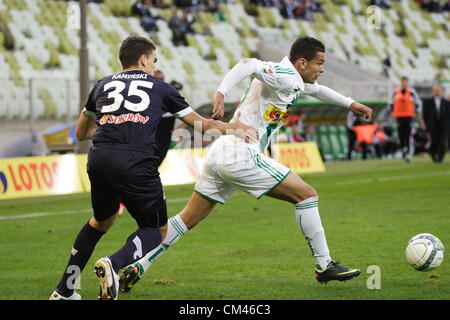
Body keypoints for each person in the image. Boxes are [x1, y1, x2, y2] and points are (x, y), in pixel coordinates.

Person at [118, 36, 373, 293]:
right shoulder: (284, 72)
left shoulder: (294, 80)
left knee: (186, 219)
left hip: (221, 151)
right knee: (307, 195)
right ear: (302, 62)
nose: (323, 69)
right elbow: (247, 64)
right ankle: (324, 264)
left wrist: (350, 103)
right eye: (320, 63)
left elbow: (317, 90)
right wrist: (221, 93)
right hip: (240, 153)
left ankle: (139, 264)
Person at [49, 36, 255, 300]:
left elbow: (80, 133)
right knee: (157, 230)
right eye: (154, 60)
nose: (154, 65)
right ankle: (113, 264)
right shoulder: (160, 87)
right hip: (135, 162)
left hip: (98, 158)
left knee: (102, 220)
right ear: (144, 59)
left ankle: (64, 290)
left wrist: (114, 123)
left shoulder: (101, 84)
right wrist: (233, 128)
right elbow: (201, 124)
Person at [390, 76, 422, 162]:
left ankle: (408, 152)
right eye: (402, 82)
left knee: (407, 134)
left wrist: (416, 112)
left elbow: (418, 103)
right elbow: (390, 103)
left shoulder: (412, 92)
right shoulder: (396, 92)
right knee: (400, 133)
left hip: (408, 116)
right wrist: (392, 112)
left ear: (407, 83)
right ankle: (403, 148)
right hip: (399, 116)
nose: (404, 84)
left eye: (405, 82)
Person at [422, 85, 450, 163]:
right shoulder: (428, 102)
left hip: (443, 125)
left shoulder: (446, 102)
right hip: (432, 125)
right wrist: (424, 123)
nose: (437, 91)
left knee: (443, 141)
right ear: (433, 91)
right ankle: (433, 156)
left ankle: (440, 158)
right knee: (434, 141)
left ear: (440, 91)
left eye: (438, 90)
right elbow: (425, 114)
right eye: (435, 90)